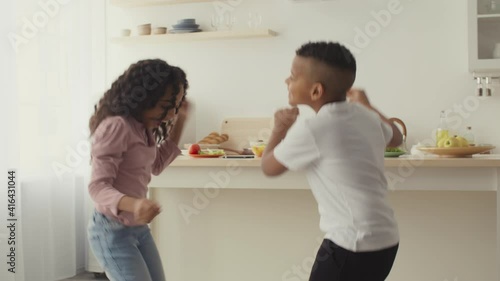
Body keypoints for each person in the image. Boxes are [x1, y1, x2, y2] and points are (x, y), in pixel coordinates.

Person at [261, 41, 403, 281]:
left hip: (351, 244)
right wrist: (368, 105)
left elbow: (269, 167)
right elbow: (396, 137)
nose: (287, 80)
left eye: (293, 76)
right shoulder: (364, 115)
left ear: (316, 91)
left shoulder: (314, 128)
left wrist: (279, 129)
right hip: (386, 240)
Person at [87, 59, 189, 281]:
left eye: (176, 106)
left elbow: (156, 165)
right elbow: (97, 187)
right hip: (111, 231)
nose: (170, 114)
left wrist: (181, 121)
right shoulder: (117, 126)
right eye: (166, 106)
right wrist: (135, 203)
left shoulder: (142, 128)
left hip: (137, 229)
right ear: (144, 97)